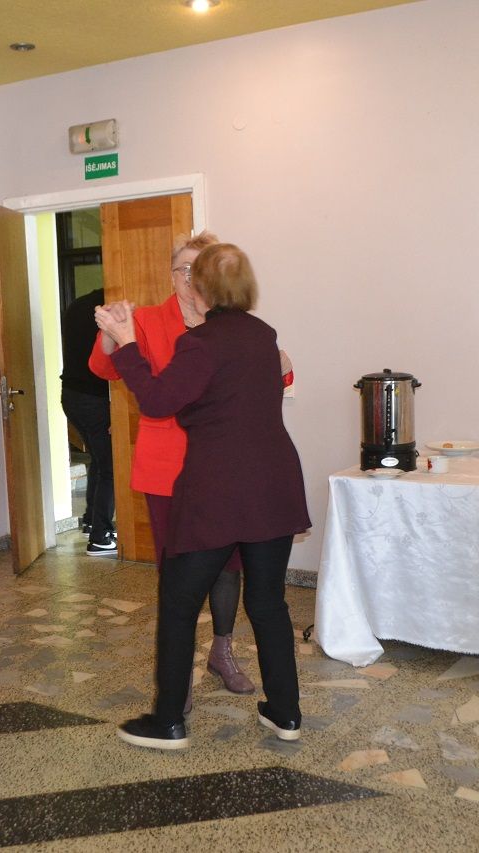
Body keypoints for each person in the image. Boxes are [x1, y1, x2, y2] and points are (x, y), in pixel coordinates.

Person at [95, 243, 310, 750]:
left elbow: (158, 401)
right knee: (268, 602)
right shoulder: (263, 334)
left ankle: (167, 721)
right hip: (273, 485)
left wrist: (127, 343)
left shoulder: (202, 342)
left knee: (178, 601)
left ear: (201, 287)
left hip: (217, 490)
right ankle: (285, 713)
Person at [61, 287, 117, 555]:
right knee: (110, 466)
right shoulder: (107, 309)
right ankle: (100, 536)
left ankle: (92, 521)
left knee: (99, 460)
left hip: (71, 395)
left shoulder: (78, 304)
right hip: (94, 398)